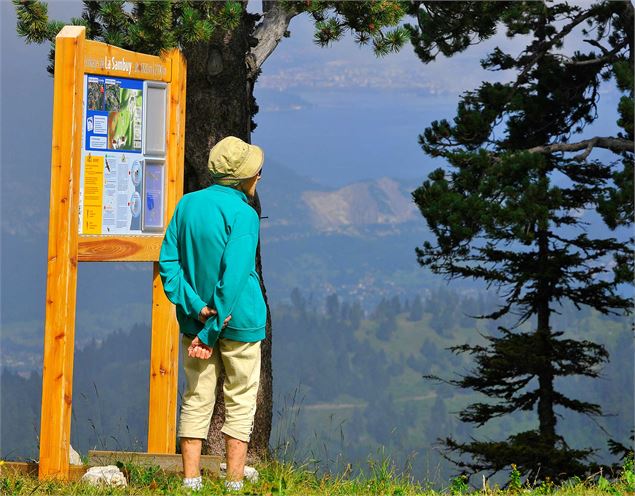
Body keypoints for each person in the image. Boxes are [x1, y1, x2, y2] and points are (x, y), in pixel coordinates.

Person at [158, 136, 266, 492]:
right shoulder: (244, 215)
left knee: (196, 396)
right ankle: (234, 483)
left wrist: (197, 309)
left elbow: (169, 263)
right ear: (241, 179)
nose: (259, 177)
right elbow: (234, 277)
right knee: (240, 399)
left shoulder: (187, 205)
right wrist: (215, 325)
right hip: (239, 324)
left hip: (196, 321)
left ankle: (191, 480)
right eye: (256, 172)